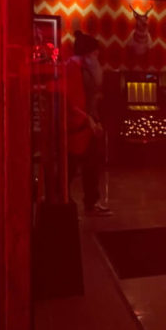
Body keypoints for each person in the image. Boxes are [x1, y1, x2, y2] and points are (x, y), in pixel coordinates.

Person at [65, 31, 112, 216]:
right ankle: (65, 201)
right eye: (95, 52)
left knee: (90, 166)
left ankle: (91, 202)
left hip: (88, 123)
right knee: (71, 166)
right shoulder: (74, 68)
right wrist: (89, 119)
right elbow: (74, 99)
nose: (97, 55)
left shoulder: (84, 67)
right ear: (88, 53)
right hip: (79, 125)